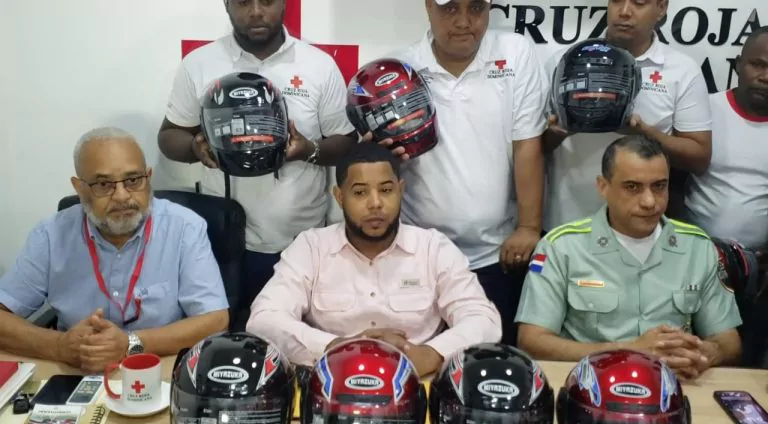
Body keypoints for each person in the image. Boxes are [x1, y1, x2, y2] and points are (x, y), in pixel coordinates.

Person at [157, 0, 357, 329]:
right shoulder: (199, 64)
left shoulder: (318, 65)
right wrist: (195, 148)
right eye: (242, 2)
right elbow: (169, 136)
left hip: (298, 241)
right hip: (220, 244)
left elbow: (346, 141)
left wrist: (308, 150)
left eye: (266, 0)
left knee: (296, 343)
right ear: (226, 4)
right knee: (225, 340)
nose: (255, 12)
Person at [246, 142, 502, 377]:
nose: (375, 203)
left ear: (400, 190)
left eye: (386, 190)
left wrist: (432, 354)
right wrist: (337, 348)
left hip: (418, 385)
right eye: (360, 193)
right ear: (339, 197)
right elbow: (264, 319)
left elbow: (483, 319)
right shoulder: (311, 248)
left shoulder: (433, 248)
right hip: (330, 383)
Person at [379, 0, 547, 346]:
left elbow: (527, 143)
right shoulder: (398, 69)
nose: (464, 22)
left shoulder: (515, 53)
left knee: (489, 364)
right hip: (419, 257)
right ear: (429, 6)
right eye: (451, 9)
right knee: (422, 361)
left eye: (476, 8)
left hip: (497, 254)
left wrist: (529, 227)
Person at [0, 128, 229, 373]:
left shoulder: (184, 228)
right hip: (76, 370)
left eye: (133, 180)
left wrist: (130, 344)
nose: (121, 196)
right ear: (79, 188)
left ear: (148, 178)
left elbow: (215, 320)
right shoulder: (50, 235)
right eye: (103, 184)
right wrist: (58, 346)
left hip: (156, 367)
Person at [515, 135, 741, 379]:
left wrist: (703, 353)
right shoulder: (561, 247)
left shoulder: (697, 247)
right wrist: (628, 351)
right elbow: (532, 341)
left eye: (659, 186)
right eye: (632, 187)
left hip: (675, 385)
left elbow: (728, 341)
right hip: (591, 384)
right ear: (603, 186)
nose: (649, 201)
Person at [543, 0, 712, 230]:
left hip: (641, 227)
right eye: (616, 1)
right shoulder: (565, 62)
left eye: (638, 3)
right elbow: (530, 147)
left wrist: (643, 133)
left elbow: (699, 158)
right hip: (565, 224)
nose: (624, 12)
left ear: (661, 8)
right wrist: (560, 131)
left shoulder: (682, 70)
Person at [685, 27, 768, 250]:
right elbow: (673, 180)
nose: (765, 77)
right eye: (757, 64)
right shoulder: (703, 109)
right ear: (738, 64)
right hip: (692, 251)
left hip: (758, 262)